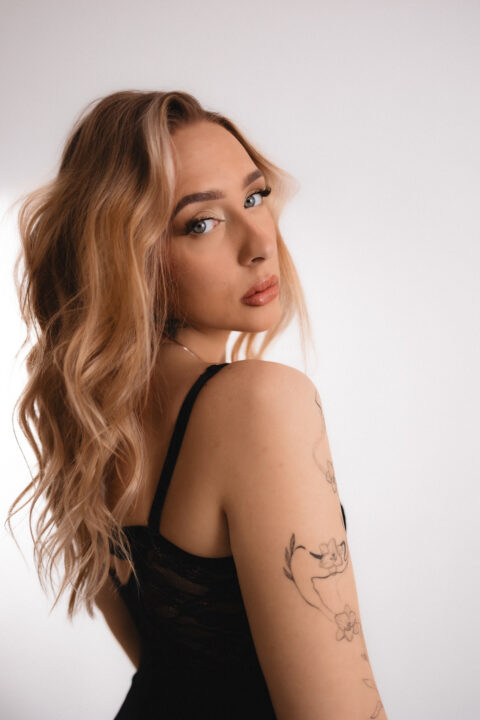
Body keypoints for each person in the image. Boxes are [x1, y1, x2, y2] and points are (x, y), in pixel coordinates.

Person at [6, 90, 388, 719]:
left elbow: (165, 671)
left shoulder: (87, 423)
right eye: (201, 223)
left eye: (254, 197)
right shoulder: (261, 401)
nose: (259, 241)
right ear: (127, 255)